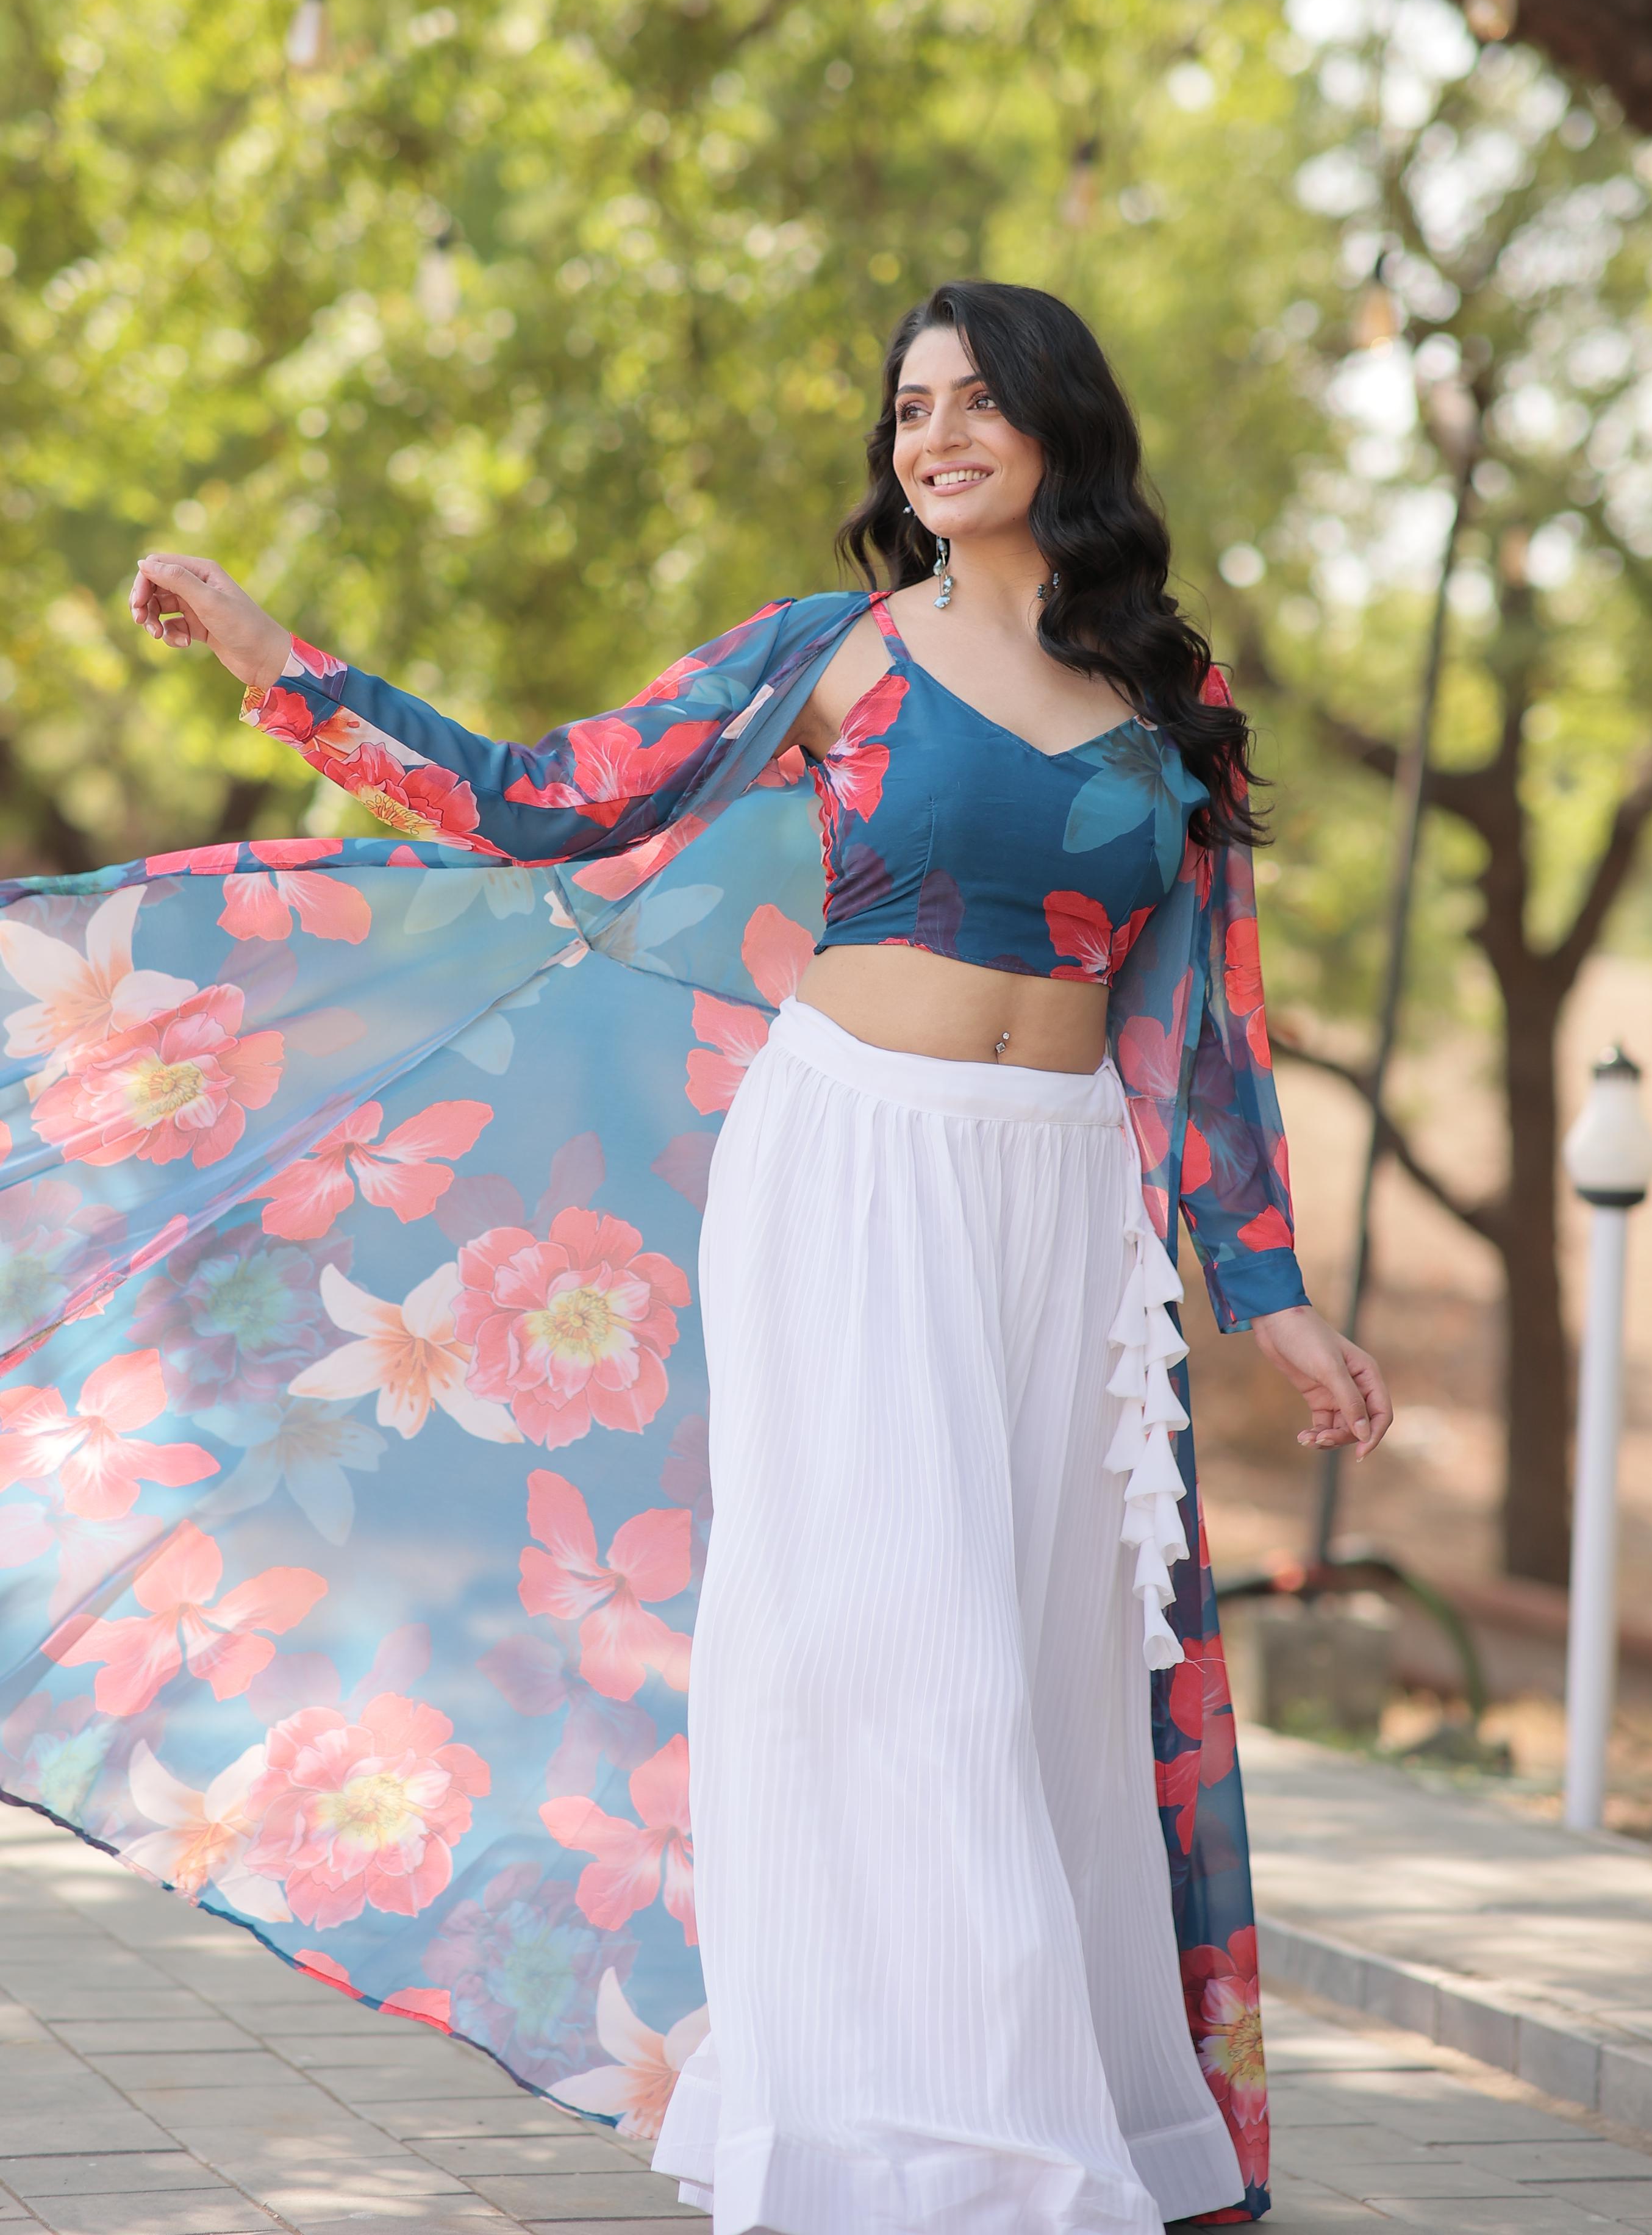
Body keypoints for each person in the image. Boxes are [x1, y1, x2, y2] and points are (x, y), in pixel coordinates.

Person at [5, 282, 1386, 2235]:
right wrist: (278, 664)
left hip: (1065, 1209)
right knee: (904, 1652)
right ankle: (948, 2157)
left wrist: (1275, 1300)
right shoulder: (840, 656)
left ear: (1067, 427)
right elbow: (537, 800)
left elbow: (1214, 1029)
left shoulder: (1167, 706)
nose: (937, 438)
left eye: (980, 402)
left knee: (1052, 1660)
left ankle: (1032, 2107)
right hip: (855, 1178)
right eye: (912, 410)